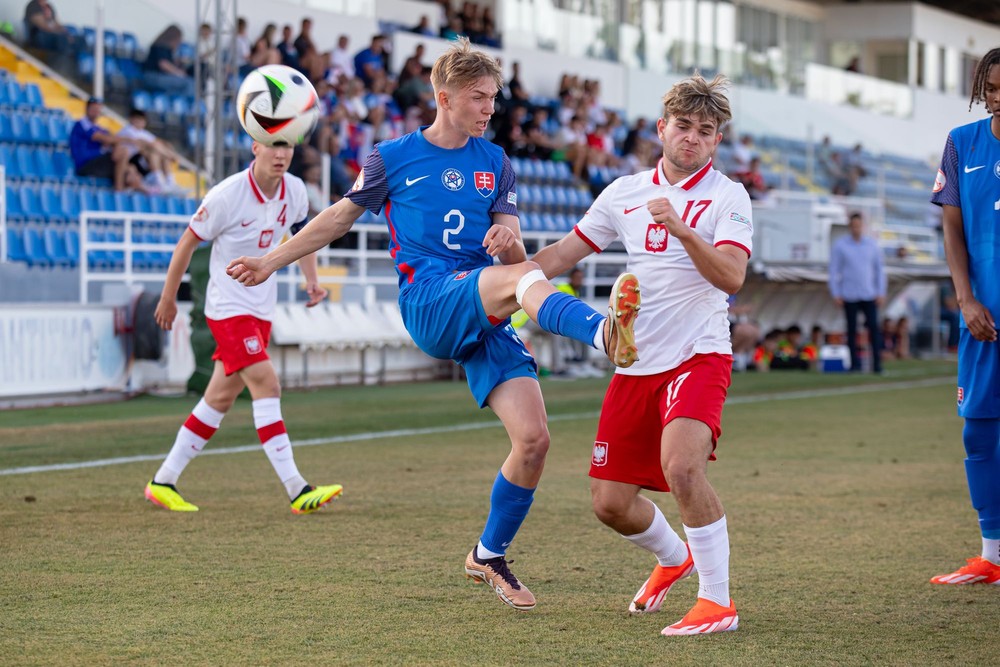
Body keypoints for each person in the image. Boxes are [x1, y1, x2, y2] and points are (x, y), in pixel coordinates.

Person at [226, 37, 641, 611]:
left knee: (534, 440)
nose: (490, 109)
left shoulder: (496, 162)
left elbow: (512, 251)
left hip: (484, 301)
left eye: (494, 98)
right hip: (429, 302)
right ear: (444, 97)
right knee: (516, 281)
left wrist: (508, 239)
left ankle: (488, 555)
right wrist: (270, 261)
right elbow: (338, 218)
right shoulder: (392, 157)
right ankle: (602, 334)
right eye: (479, 98)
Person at [532, 73, 752, 635]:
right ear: (662, 128)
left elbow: (731, 277)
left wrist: (682, 229)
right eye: (683, 126)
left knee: (682, 466)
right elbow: (563, 255)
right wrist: (511, 268)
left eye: (706, 131)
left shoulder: (727, 196)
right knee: (609, 502)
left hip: (698, 354)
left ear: (717, 140)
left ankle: (717, 601)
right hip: (633, 361)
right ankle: (673, 556)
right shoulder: (624, 192)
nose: (692, 139)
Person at [143, 141, 342, 515]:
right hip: (227, 310)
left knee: (219, 398)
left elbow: (303, 237)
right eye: (273, 146)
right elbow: (187, 243)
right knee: (268, 383)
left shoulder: (295, 190)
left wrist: (311, 280)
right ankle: (298, 490)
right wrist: (169, 297)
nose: (281, 154)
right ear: (255, 147)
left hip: (261, 310)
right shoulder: (228, 195)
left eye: (287, 146)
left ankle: (163, 481)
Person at [928, 46, 1000, 586]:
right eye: (991, 88)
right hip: (982, 319)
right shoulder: (961, 143)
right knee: (978, 434)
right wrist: (965, 299)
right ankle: (991, 555)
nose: (997, 97)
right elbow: (952, 228)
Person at [828, 212, 886, 373]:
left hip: (869, 293)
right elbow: (834, 271)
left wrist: (881, 291)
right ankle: (854, 364)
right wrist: (836, 293)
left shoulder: (872, 245)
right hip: (849, 294)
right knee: (851, 331)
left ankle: (877, 365)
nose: (856, 229)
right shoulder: (841, 246)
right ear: (849, 227)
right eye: (853, 226)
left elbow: (879, 270)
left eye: (859, 225)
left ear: (863, 226)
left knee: (874, 329)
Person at [69, 98, 144, 192]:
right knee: (124, 155)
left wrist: (116, 145)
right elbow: (105, 138)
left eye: (98, 109)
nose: (96, 111)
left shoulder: (99, 128)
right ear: (87, 109)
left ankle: (137, 192)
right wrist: (128, 140)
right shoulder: (82, 124)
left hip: (99, 163)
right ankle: (119, 190)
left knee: (131, 168)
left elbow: (112, 139)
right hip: (86, 165)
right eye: (93, 109)